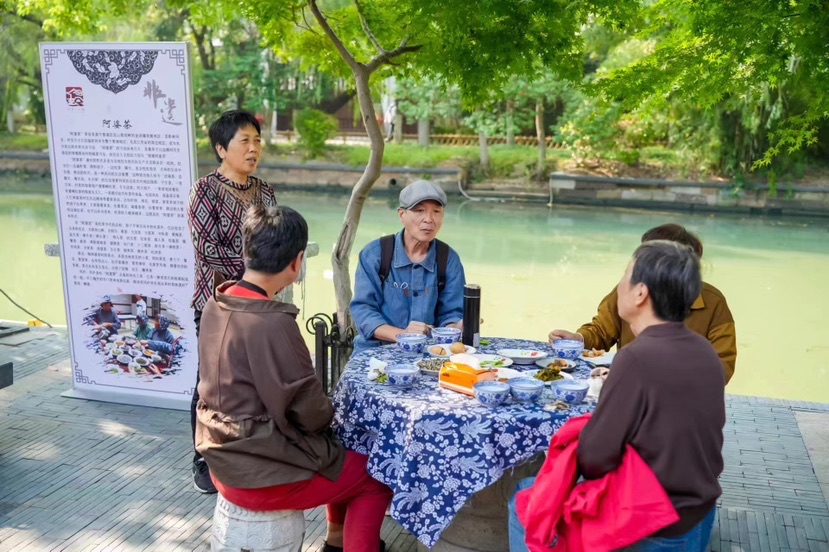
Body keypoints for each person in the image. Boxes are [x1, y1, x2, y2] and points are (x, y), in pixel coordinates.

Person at [196, 205, 392, 552]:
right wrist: (332, 414)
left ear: (246, 252)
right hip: (260, 470)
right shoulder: (272, 322)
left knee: (339, 450)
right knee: (375, 473)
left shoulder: (217, 302)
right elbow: (308, 410)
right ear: (297, 262)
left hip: (219, 453)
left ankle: (334, 539)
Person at [510, 240, 726, 551]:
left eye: (626, 275)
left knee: (526, 501)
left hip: (654, 515)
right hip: (699, 507)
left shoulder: (636, 357)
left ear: (641, 293)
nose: (619, 285)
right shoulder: (705, 351)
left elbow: (595, 459)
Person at [187, 109, 277, 494]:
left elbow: (276, 242)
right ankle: (203, 459)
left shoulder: (266, 191)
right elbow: (207, 250)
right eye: (245, 141)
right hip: (218, 305)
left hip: (260, 305)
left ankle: (246, 452)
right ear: (222, 148)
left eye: (257, 140)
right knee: (211, 383)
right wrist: (256, 271)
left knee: (253, 382)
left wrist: (267, 276)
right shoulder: (204, 190)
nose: (254, 148)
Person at [549, 223, 737, 382]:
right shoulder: (630, 289)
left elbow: (723, 364)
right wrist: (578, 339)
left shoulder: (713, 302)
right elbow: (602, 330)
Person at [350, 180, 466, 353]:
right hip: (376, 351)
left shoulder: (449, 259)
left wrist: (456, 326)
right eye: (419, 211)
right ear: (401, 214)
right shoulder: (375, 254)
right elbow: (363, 311)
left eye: (436, 211)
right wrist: (403, 335)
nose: (429, 219)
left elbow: (450, 312)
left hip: (429, 353)